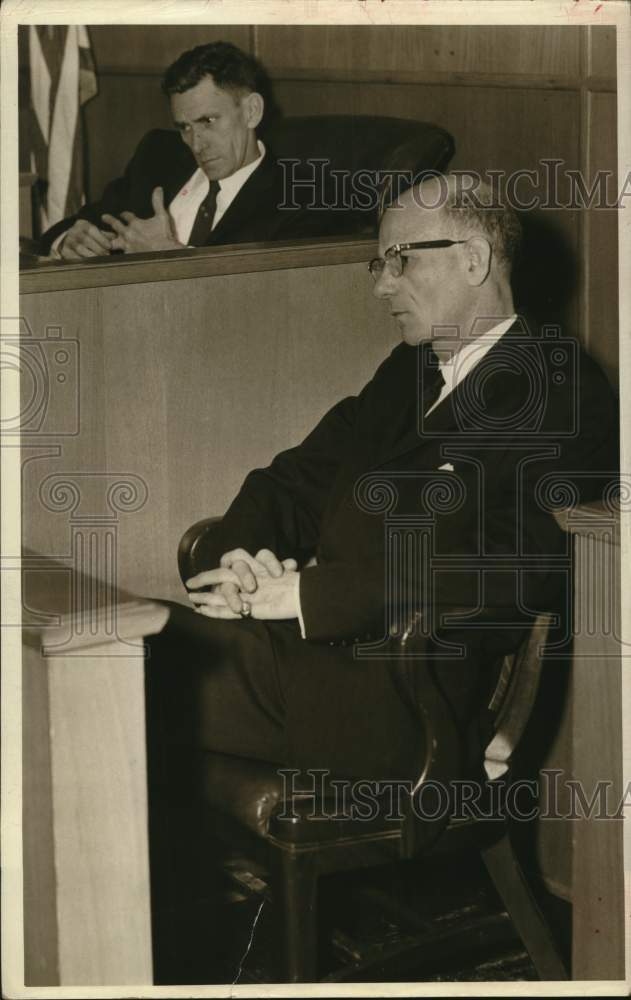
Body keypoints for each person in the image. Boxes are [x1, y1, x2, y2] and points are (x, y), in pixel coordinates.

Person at [156, 174, 618, 789]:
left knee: (126, 665)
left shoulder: (563, 393)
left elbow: (511, 566)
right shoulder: (412, 368)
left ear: (473, 259)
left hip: (407, 694)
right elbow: (297, 478)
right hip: (319, 663)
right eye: (380, 263)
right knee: (125, 640)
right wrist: (239, 555)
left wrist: (305, 597)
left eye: (399, 260)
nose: (380, 285)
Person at [39, 41, 326, 259]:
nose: (196, 145)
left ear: (252, 111)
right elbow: (81, 222)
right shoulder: (158, 157)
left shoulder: (301, 198)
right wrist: (68, 240)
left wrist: (170, 255)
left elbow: (277, 299)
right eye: (184, 127)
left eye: (208, 121)